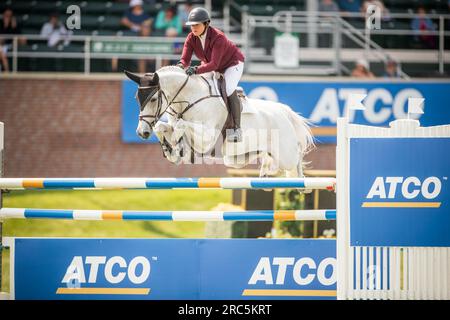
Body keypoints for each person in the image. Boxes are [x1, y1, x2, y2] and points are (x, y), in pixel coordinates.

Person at [176, 7, 245, 143]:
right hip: (213, 65)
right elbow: (185, 60)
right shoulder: (191, 38)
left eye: (196, 25)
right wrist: (179, 68)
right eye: (191, 25)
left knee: (229, 88)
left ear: (206, 24)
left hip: (232, 64)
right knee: (199, 83)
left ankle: (236, 128)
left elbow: (213, 65)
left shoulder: (218, 37)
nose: (193, 28)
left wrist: (195, 70)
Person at [119, 0, 152, 73]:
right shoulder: (128, 13)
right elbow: (123, 20)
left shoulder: (145, 14)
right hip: (130, 35)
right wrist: (134, 26)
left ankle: (145, 47)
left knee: (142, 57)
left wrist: (141, 27)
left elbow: (149, 21)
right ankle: (114, 72)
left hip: (141, 38)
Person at [0, 7, 22, 72]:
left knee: (22, 39)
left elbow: (18, 35)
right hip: (1, 45)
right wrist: (5, 26)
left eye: (10, 16)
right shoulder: (0, 23)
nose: (8, 17)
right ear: (3, 15)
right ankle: (7, 73)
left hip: (11, 44)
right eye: (7, 15)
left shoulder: (14, 24)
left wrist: (14, 27)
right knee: (2, 55)